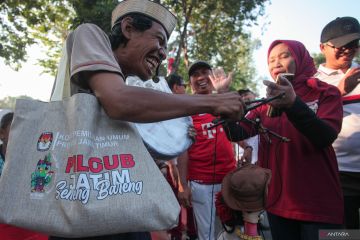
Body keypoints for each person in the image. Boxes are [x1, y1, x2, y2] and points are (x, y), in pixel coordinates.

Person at [50, 0, 245, 239]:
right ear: (128, 28)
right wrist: (214, 102)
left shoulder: (126, 84)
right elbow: (118, 101)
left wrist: (175, 138)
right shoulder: (89, 34)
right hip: (81, 211)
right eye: (159, 40)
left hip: (125, 209)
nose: (163, 53)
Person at [223, 40, 344, 240]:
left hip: (319, 204)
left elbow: (326, 136)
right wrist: (222, 102)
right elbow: (237, 133)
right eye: (271, 59)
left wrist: (293, 104)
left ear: (300, 58)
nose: (276, 62)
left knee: (342, 236)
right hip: (278, 203)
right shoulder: (265, 105)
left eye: (284, 56)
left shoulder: (325, 92)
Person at [177, 61, 237, 240]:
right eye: (196, 75)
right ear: (190, 83)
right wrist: (183, 185)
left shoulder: (223, 102)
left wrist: (246, 146)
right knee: (207, 235)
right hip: (202, 184)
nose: (201, 77)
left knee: (234, 231)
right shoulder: (185, 109)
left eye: (205, 72)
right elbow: (183, 151)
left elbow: (237, 128)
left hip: (229, 180)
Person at [315, 16, 360, 229]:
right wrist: (338, 91)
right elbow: (305, 121)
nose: (348, 50)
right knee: (338, 233)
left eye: (353, 44)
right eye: (341, 46)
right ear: (323, 47)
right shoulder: (312, 81)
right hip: (335, 173)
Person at [0, 112, 48, 240]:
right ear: (2, 134)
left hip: (31, 223)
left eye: (26, 129)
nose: (22, 133)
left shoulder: (35, 158)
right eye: (15, 128)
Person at [235, 89, 258, 164]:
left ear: (254, 95)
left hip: (263, 159)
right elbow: (233, 138)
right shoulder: (236, 116)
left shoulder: (264, 109)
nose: (244, 98)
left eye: (246, 94)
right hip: (245, 160)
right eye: (241, 97)